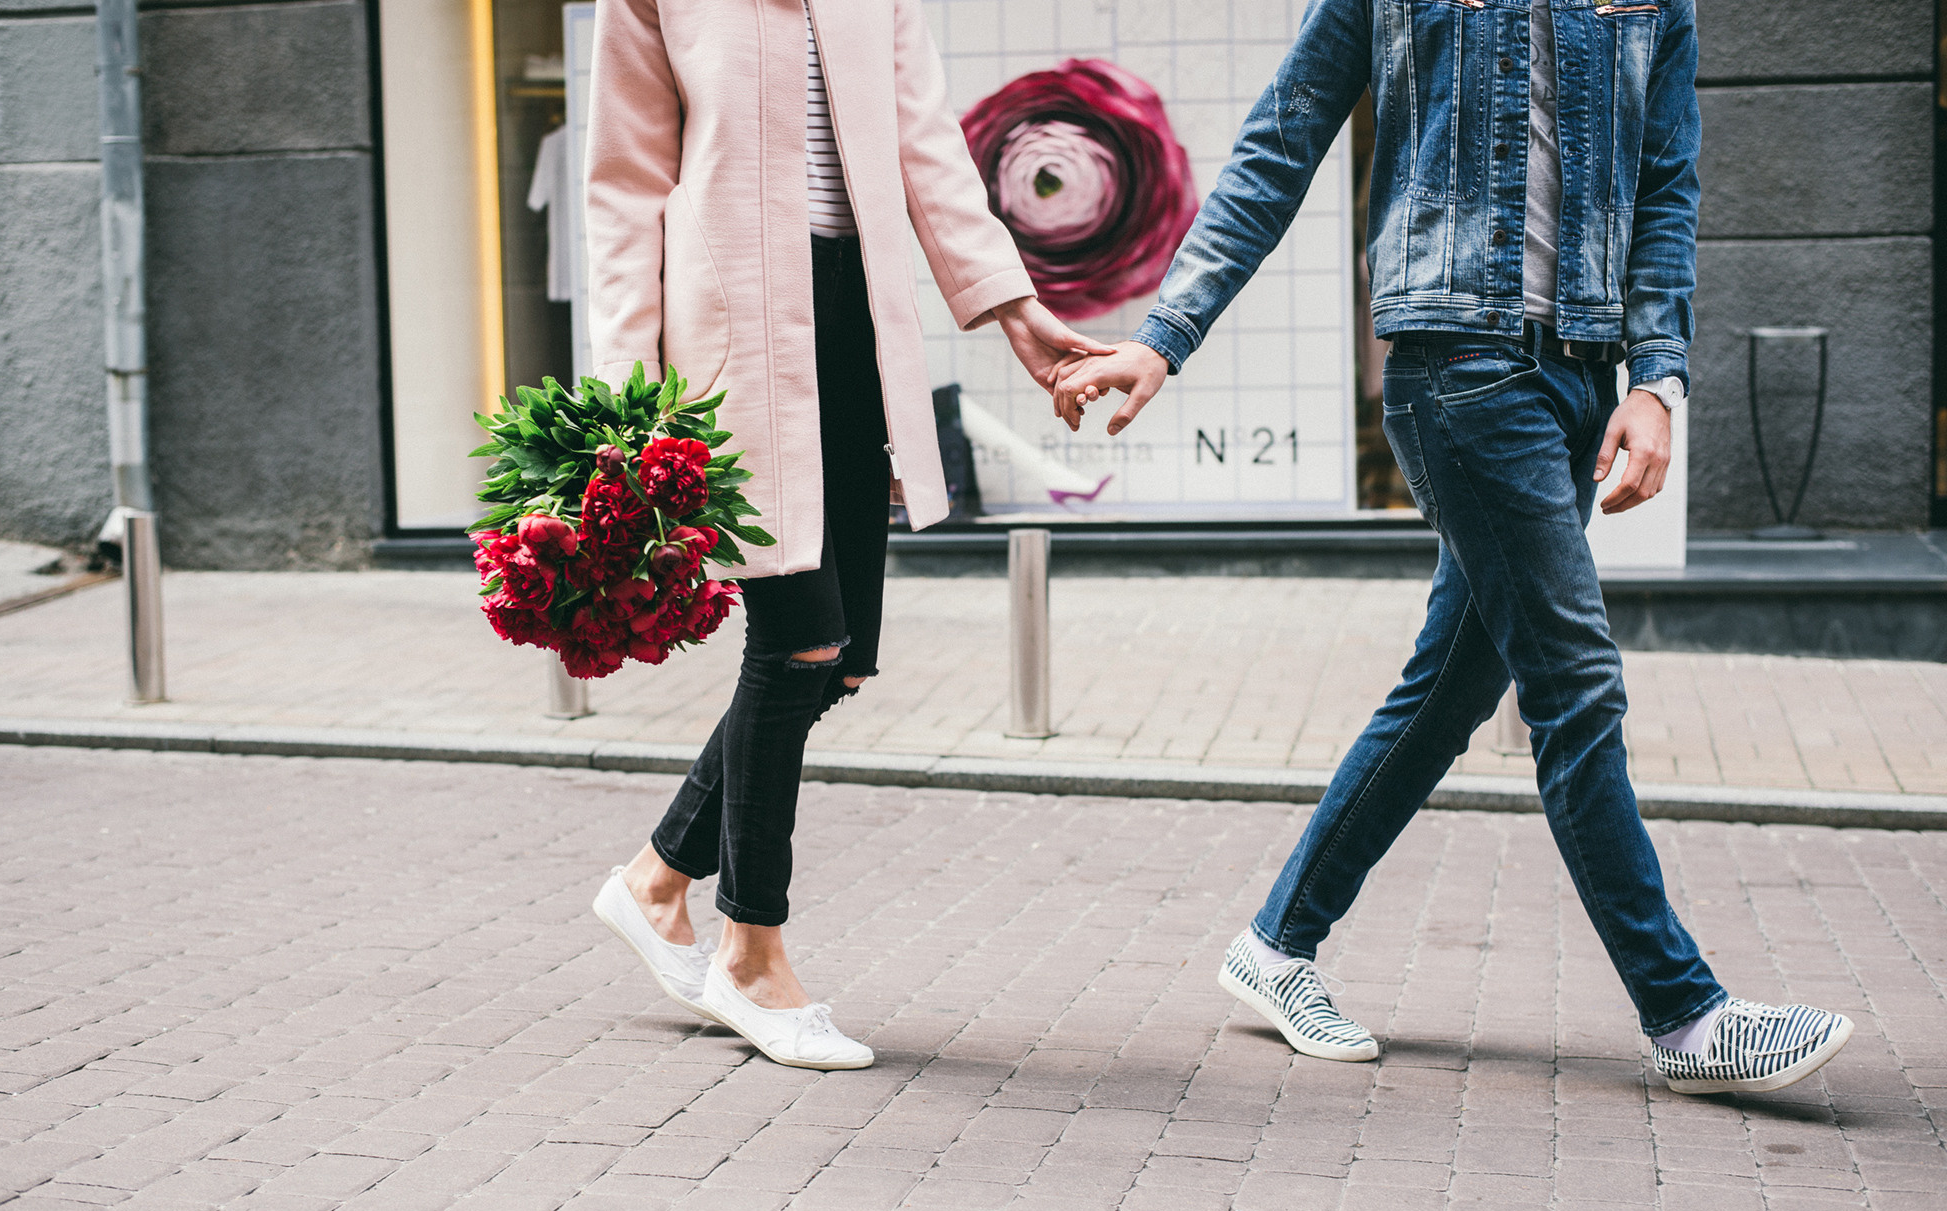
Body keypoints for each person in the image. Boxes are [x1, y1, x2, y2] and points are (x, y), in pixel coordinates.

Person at [1052, 0, 1853, 1095]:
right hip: (1459, 368)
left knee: (1448, 689)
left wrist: (1655, 382)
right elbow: (1279, 142)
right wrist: (1164, 336)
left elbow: (1664, 184)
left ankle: (1275, 944)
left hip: (1582, 371)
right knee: (1573, 685)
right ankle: (1685, 1015)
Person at [581, 0, 1107, 1070]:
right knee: (797, 645)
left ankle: (653, 883)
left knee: (837, 665)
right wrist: (626, 401)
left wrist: (1015, 311)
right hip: (727, 342)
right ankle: (750, 954)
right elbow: (624, 188)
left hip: (855, 325)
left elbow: (927, 152)